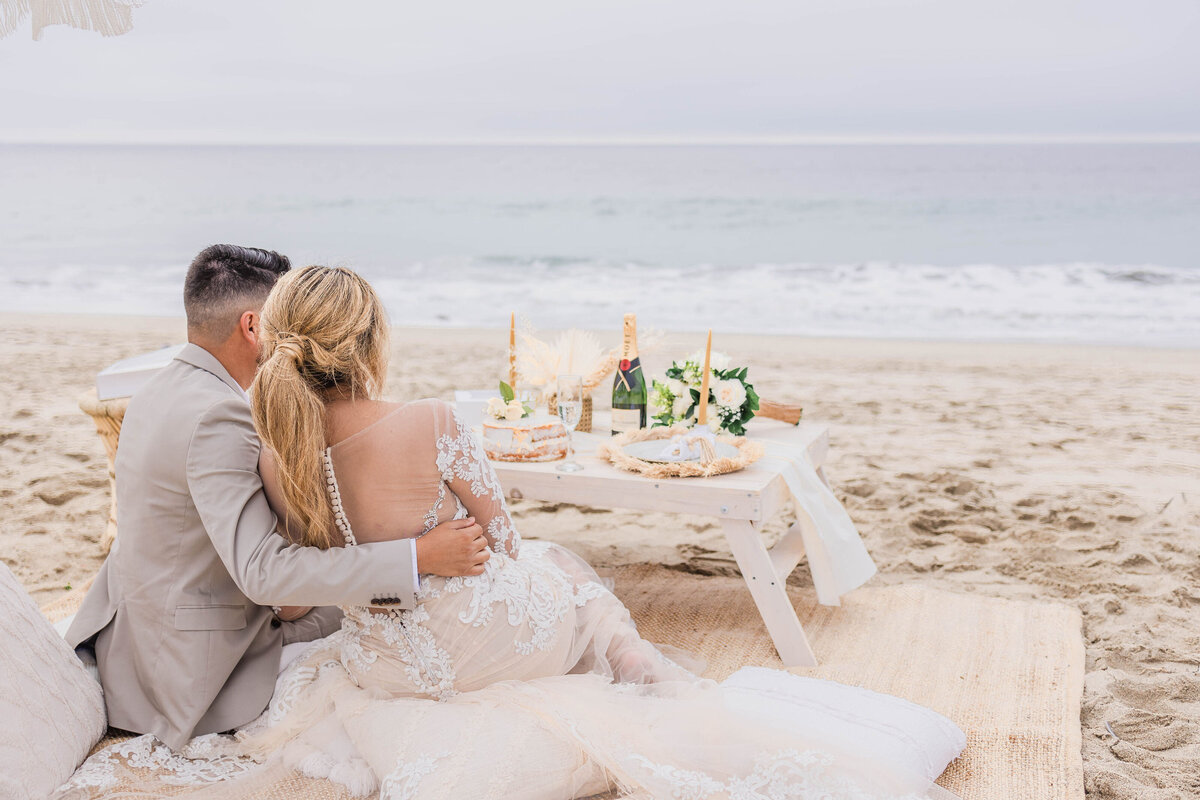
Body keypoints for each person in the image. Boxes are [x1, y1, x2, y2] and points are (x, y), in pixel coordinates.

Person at [207, 265, 963, 800]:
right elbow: (501, 545)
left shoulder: (280, 455)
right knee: (560, 565)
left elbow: (314, 580)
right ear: (369, 340)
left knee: (551, 568)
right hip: (476, 641)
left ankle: (628, 659)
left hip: (387, 663)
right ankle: (644, 671)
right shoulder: (431, 420)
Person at [65, 245, 491, 751]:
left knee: (360, 595)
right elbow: (263, 573)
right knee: (391, 612)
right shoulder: (220, 416)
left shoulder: (158, 391)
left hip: (136, 641)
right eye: (285, 319)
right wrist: (417, 557)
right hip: (190, 669)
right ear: (252, 326)